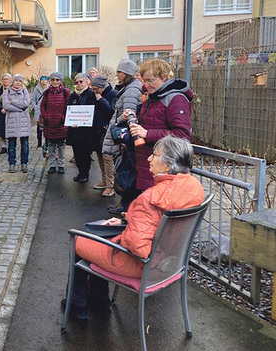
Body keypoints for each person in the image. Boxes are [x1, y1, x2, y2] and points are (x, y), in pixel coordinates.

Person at [62, 136, 205, 319]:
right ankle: (99, 300)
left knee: (80, 241)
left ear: (168, 165)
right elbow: (156, 221)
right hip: (168, 263)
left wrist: (127, 230)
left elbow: (138, 247)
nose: (148, 159)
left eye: (154, 155)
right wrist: (129, 219)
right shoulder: (192, 187)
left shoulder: (150, 198)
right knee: (102, 237)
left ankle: (76, 305)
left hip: (142, 265)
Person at [129, 59, 193, 193]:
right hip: (149, 164)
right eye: (144, 81)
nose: (146, 85)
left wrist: (147, 134)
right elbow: (152, 122)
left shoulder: (176, 99)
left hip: (164, 167)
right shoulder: (153, 96)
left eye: (150, 80)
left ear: (164, 77)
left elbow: (182, 135)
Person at [102, 59, 143, 214]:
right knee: (122, 171)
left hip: (125, 139)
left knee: (125, 173)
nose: (117, 75)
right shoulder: (128, 88)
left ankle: (126, 207)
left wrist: (115, 126)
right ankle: (124, 205)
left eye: (119, 72)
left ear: (126, 73)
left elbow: (128, 114)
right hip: (124, 138)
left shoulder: (132, 90)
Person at [89, 76, 117, 196]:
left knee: (107, 158)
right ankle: (104, 180)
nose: (94, 91)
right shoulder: (95, 94)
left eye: (96, 89)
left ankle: (111, 185)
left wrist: (100, 99)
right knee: (100, 156)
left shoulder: (112, 93)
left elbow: (111, 110)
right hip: (97, 130)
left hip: (107, 131)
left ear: (101, 87)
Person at [66, 73, 96, 182]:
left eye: (81, 82)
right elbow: (68, 109)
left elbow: (92, 110)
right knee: (77, 153)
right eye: (77, 82)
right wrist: (71, 121)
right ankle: (80, 173)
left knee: (85, 153)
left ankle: (85, 174)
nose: (79, 84)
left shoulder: (90, 94)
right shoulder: (73, 95)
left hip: (86, 131)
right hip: (74, 130)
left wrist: (84, 120)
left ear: (85, 82)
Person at [40, 72, 70, 174]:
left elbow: (68, 106)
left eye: (57, 80)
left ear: (61, 81)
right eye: (53, 80)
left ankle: (61, 164)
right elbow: (42, 106)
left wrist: (64, 117)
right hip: (50, 123)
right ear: (50, 81)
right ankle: (52, 164)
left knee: (61, 146)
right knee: (51, 145)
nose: (55, 82)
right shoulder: (47, 92)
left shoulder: (66, 92)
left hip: (61, 124)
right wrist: (46, 116)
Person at [3, 74, 31, 173]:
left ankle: (24, 163)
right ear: (12, 81)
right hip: (12, 122)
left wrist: (13, 101)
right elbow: (6, 106)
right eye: (16, 80)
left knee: (25, 144)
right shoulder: (7, 92)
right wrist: (20, 109)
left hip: (23, 121)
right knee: (11, 145)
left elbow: (26, 104)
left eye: (20, 81)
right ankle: (12, 164)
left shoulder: (25, 91)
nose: (18, 82)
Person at [0, 72, 12, 154]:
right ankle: (4, 146)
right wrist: (1, 108)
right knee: (2, 131)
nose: (5, 81)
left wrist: (8, 108)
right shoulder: (0, 90)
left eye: (7, 79)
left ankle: (10, 146)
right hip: (1, 112)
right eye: (4, 79)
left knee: (10, 130)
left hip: (10, 112)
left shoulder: (12, 90)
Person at [31, 75, 49, 149]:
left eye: (45, 80)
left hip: (47, 110)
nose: (43, 81)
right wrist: (35, 107)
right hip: (39, 110)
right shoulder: (37, 88)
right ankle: (39, 142)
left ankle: (47, 142)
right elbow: (33, 99)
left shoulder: (49, 88)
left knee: (47, 127)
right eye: (42, 80)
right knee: (39, 127)